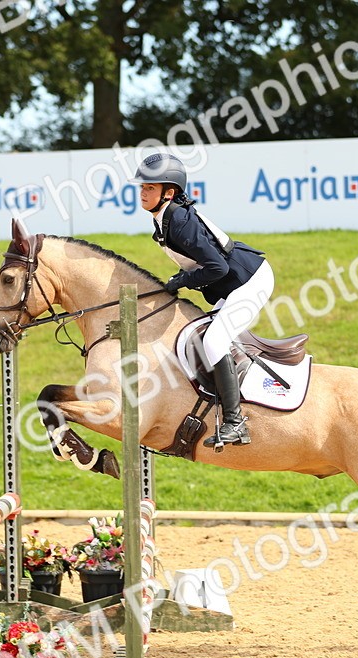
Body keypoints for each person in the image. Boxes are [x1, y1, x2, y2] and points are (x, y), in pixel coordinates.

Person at [130, 152, 275, 448]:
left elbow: (217, 267)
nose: (143, 192)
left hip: (250, 281)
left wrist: (179, 282)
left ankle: (236, 423)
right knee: (203, 336)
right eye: (142, 187)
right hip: (233, 285)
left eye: (150, 188)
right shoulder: (166, 218)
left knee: (213, 342)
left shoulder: (180, 221)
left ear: (168, 193)